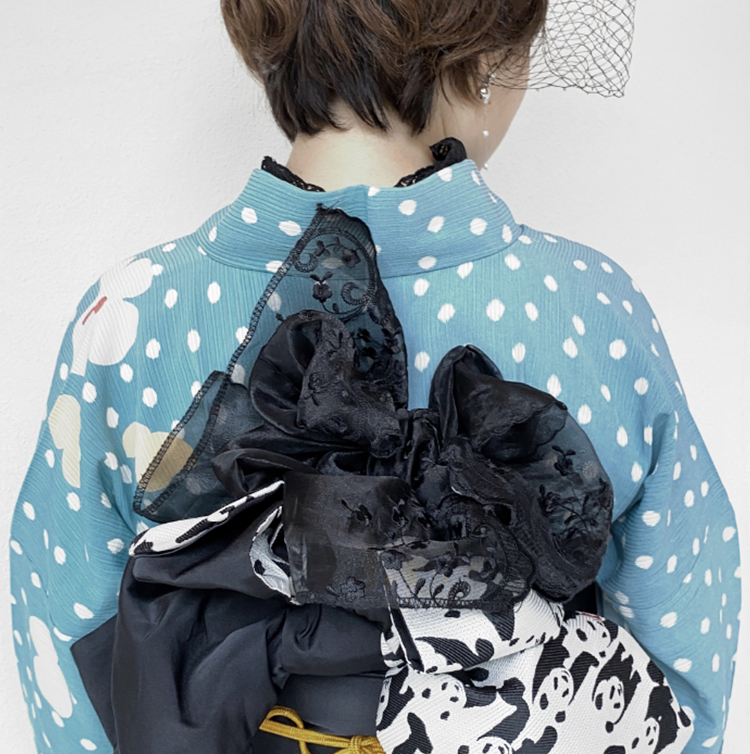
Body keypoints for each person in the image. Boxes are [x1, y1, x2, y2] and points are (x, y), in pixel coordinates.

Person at [8, 1, 740, 753]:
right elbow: (684, 616)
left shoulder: (133, 312)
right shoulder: (591, 305)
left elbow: (66, 615)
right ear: (487, 53)